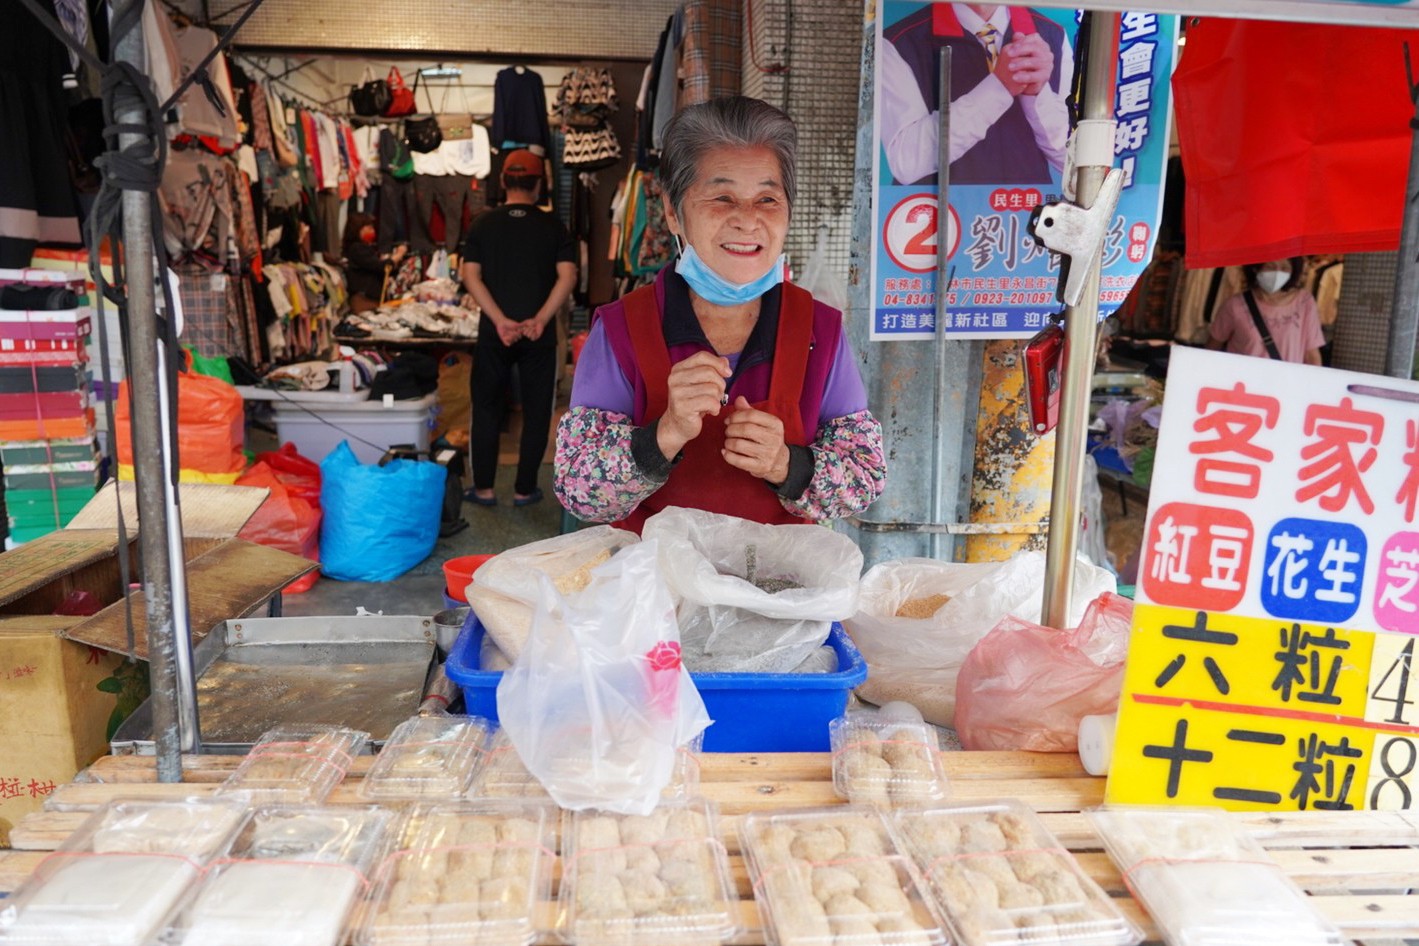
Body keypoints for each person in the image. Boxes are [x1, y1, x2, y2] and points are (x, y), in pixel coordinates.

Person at [554, 96, 887, 531]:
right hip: (653, 588)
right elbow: (578, 488)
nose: (747, 221)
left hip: (777, 588)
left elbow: (865, 475)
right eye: (722, 197)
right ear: (674, 213)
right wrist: (664, 434)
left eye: (767, 199)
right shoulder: (623, 327)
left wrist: (788, 465)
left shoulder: (819, 329)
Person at [460, 149, 578, 507]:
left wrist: (499, 319)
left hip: (495, 332)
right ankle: (525, 489)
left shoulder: (482, 223)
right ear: (540, 184)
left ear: (502, 182)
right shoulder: (554, 226)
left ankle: (483, 489)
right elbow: (568, 276)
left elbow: (470, 275)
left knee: (486, 407)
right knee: (538, 409)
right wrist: (541, 319)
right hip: (537, 335)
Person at [880, 3, 1072, 186]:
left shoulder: (1052, 34)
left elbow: (1072, 161)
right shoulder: (898, 43)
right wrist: (999, 88)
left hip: (1025, 211)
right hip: (941, 213)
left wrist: (1037, 94)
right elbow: (906, 161)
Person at [1208, 258, 1325, 366]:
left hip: (1286, 384)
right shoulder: (1235, 305)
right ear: (1255, 268)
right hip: (1245, 385)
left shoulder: (1304, 302)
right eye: (1270, 267)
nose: (1277, 273)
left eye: (1284, 268)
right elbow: (1212, 348)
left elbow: (1311, 354)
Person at [340, 213, 404, 313]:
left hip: (371, 299)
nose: (372, 231)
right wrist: (397, 256)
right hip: (364, 301)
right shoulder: (357, 249)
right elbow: (380, 267)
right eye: (369, 228)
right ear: (357, 229)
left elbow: (384, 269)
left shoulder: (364, 249)